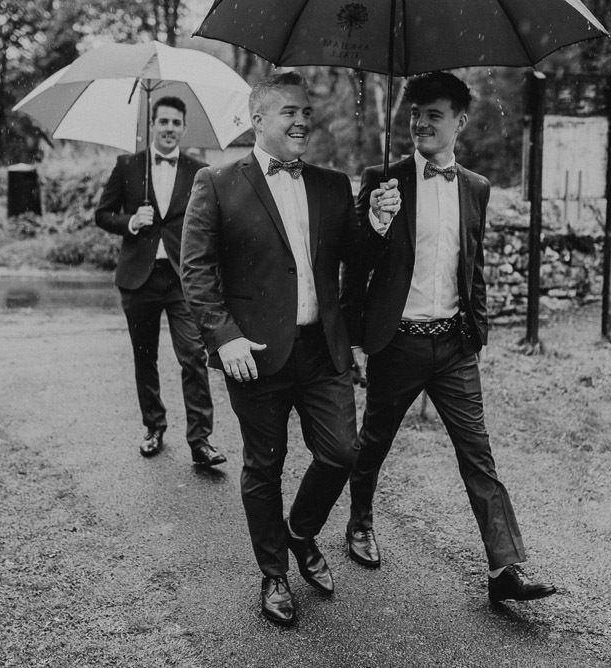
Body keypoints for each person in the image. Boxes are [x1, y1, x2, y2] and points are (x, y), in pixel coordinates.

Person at [342, 71, 556, 603]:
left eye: (433, 115)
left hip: (455, 347)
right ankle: (360, 523)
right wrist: (376, 223)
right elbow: (355, 263)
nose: (420, 123)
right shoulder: (383, 179)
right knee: (374, 443)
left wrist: (475, 332)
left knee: (478, 454)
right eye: (415, 114)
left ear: (459, 121)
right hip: (397, 342)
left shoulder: (476, 188)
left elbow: (472, 266)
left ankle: (503, 570)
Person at [181, 71, 375, 626]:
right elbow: (196, 271)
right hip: (255, 353)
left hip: (322, 349)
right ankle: (274, 575)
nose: (302, 121)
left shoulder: (333, 185)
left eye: (306, 112)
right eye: (289, 111)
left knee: (343, 453)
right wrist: (224, 337)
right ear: (258, 119)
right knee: (264, 466)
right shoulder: (217, 182)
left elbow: (358, 259)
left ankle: (300, 532)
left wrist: (377, 223)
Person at [95, 96, 225, 468]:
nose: (169, 128)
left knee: (193, 357)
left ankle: (200, 440)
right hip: (139, 278)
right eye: (163, 121)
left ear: (184, 127)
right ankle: (154, 427)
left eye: (175, 122)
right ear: (152, 124)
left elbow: (212, 223)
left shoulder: (200, 171)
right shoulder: (128, 166)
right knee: (144, 356)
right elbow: (102, 214)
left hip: (184, 279)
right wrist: (131, 221)